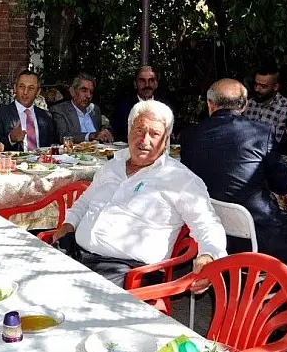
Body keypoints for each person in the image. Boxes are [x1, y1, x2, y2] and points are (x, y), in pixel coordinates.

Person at [51, 100, 226, 287]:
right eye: (139, 130)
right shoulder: (112, 165)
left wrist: (209, 255)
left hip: (127, 270)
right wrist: (68, 224)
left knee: (63, 294)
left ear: (166, 139)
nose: (144, 140)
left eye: (154, 134)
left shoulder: (180, 179)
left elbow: (208, 224)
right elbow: (85, 202)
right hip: (76, 253)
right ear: (128, 131)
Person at [182, 79, 287, 264]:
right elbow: (284, 185)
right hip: (263, 239)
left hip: (215, 237)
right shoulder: (261, 133)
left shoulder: (189, 136)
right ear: (244, 106)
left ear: (210, 105)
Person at [0, 69, 57, 152]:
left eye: (31, 88)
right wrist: (11, 139)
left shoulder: (46, 117)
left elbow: (54, 146)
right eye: (21, 87)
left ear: (38, 92)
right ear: (15, 88)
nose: (25, 92)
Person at [111, 66, 172, 142]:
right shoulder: (123, 108)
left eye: (151, 80)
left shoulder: (165, 107)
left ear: (156, 84)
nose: (147, 85)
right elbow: (119, 134)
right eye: (142, 81)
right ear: (135, 84)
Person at [50, 74, 113, 143]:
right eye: (84, 90)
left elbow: (102, 130)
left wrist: (105, 131)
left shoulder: (95, 109)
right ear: (72, 91)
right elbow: (63, 137)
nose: (88, 96)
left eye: (91, 92)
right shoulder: (60, 110)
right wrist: (92, 136)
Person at [243, 69, 287, 142]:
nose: (257, 89)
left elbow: (277, 142)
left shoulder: (285, 107)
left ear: (276, 87)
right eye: (256, 84)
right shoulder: (249, 102)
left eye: (263, 86)